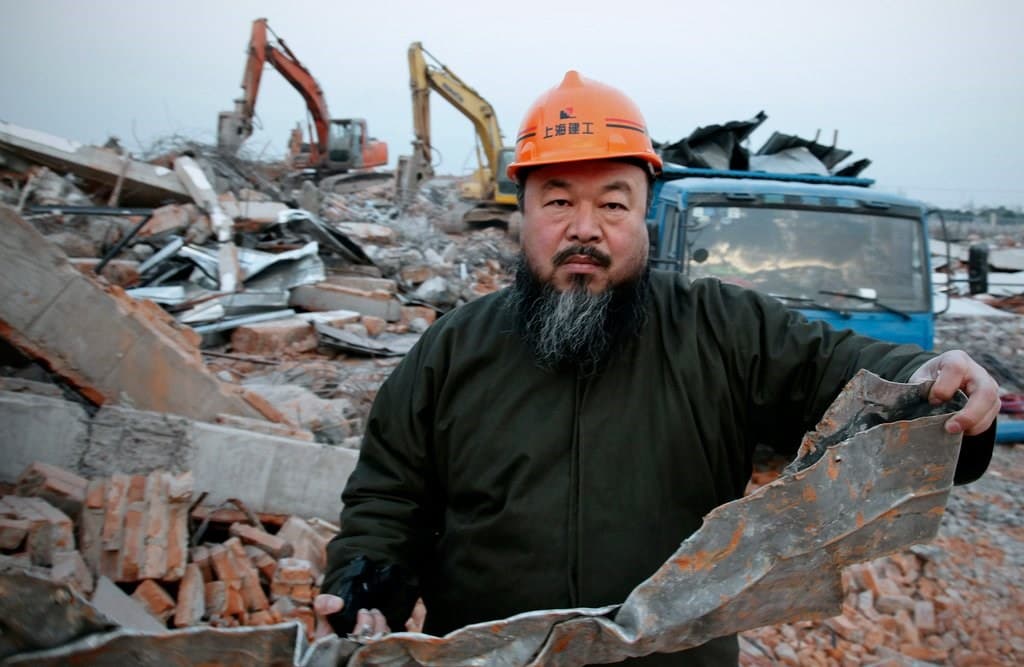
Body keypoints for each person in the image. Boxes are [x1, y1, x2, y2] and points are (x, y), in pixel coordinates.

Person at [313, 71, 999, 665]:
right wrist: (367, 578)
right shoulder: (454, 348)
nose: (585, 227)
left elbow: (845, 370)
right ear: (520, 212)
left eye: (613, 203)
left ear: (646, 215)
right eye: (558, 201)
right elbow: (388, 494)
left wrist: (937, 380)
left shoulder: (723, 330)